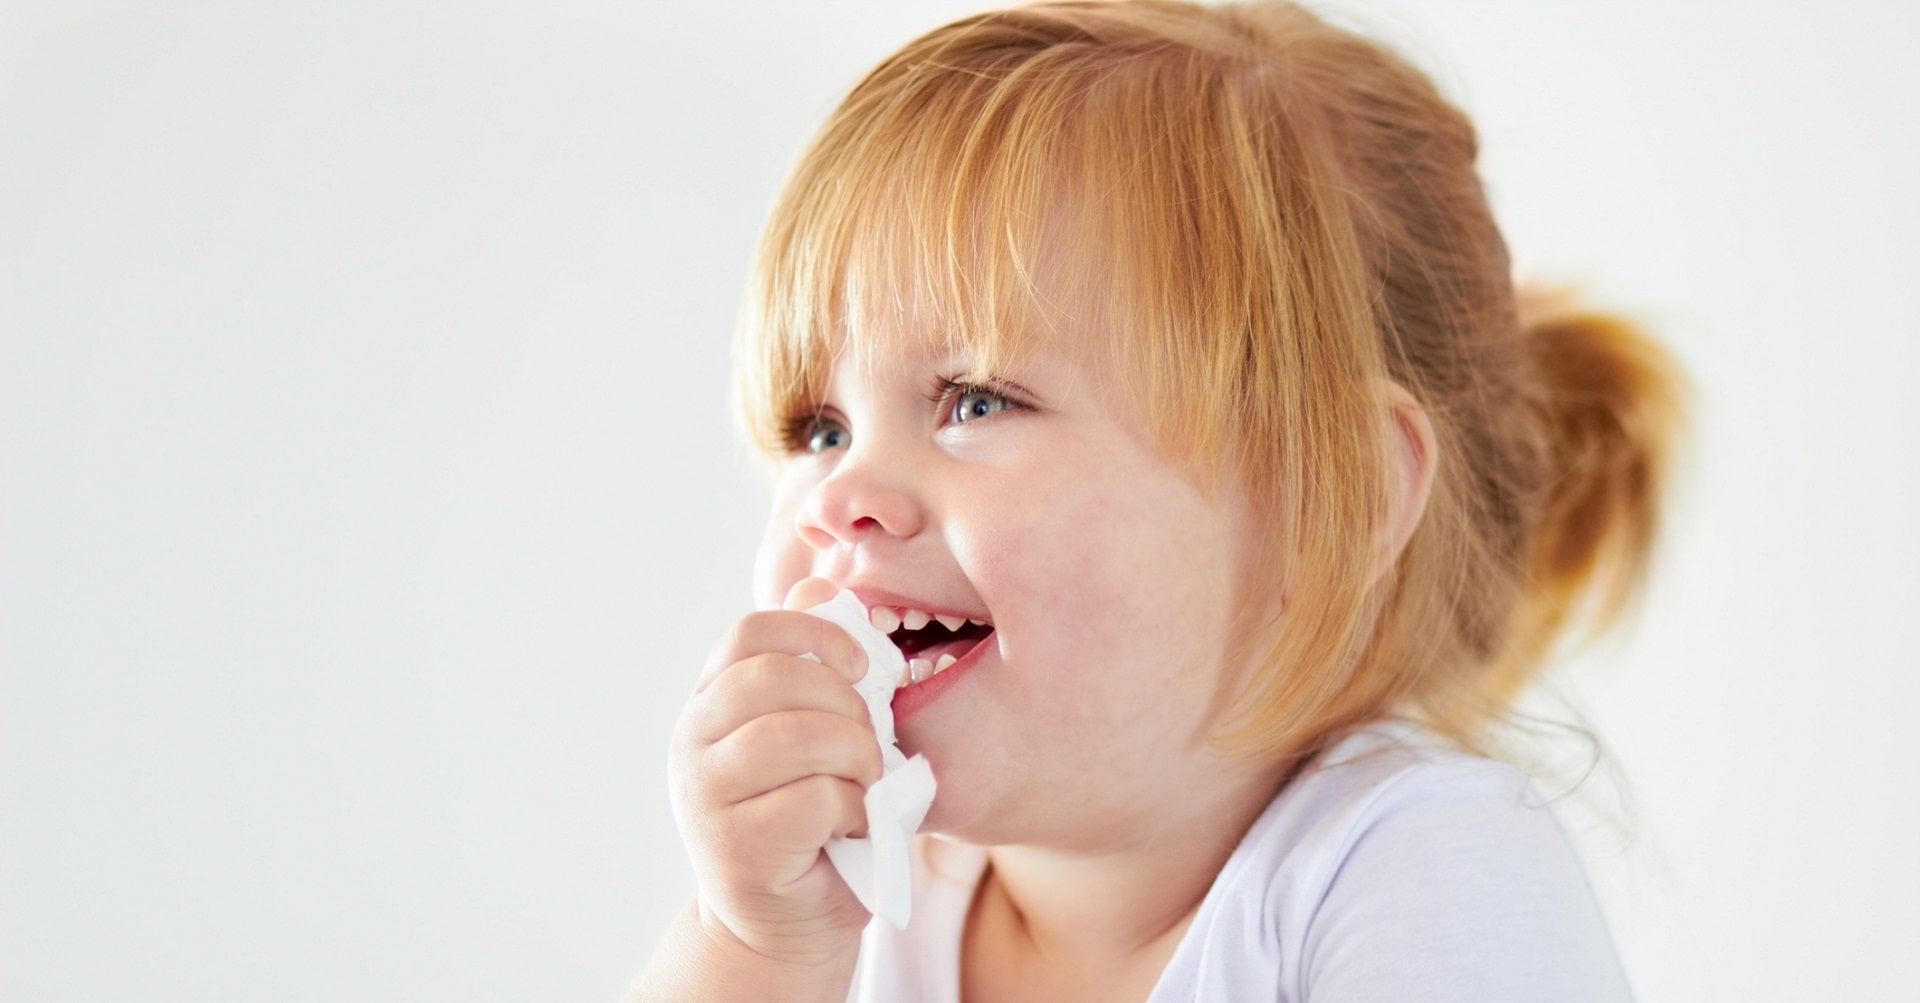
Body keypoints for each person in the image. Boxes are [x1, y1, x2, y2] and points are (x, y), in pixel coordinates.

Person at [632, 0, 1685, 999]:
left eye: (977, 400)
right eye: (820, 428)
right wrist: (749, 946)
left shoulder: (1420, 867)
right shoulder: (857, 909)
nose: (842, 492)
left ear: (1327, 498)